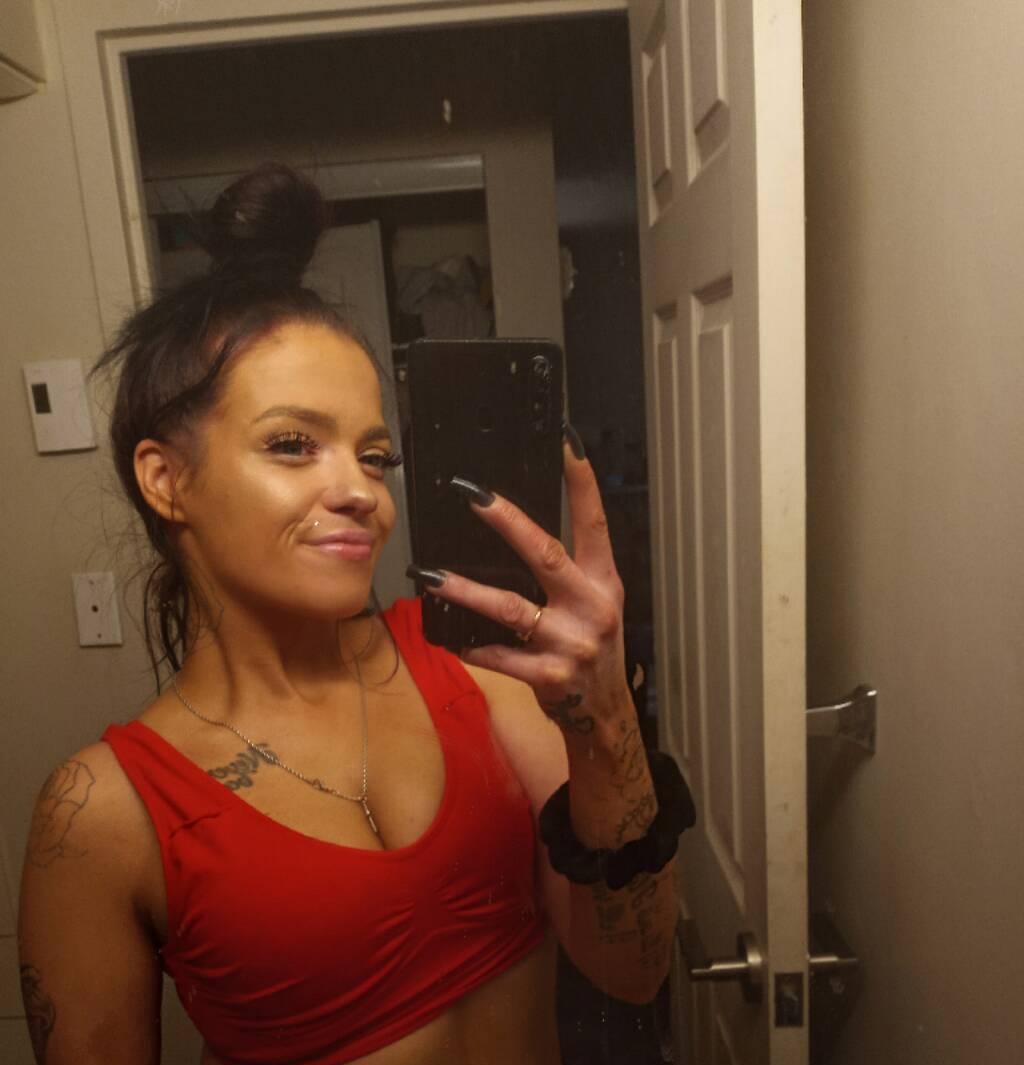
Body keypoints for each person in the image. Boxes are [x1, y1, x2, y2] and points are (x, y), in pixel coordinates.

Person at [17, 163, 690, 1065]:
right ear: (165, 479)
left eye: (375, 456)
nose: (362, 492)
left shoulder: (479, 667)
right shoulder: (103, 812)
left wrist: (605, 713)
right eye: (293, 444)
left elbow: (635, 968)